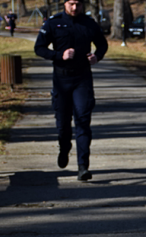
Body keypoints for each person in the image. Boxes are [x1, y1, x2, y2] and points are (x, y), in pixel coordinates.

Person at [34, 0, 107, 181]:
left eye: (79, 4)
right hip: (61, 79)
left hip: (82, 78)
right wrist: (59, 55)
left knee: (83, 121)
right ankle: (64, 147)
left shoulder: (89, 23)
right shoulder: (53, 23)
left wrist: (97, 56)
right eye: (72, 4)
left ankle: (83, 166)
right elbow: (39, 48)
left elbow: (102, 44)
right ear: (65, 4)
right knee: (63, 124)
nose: (75, 8)